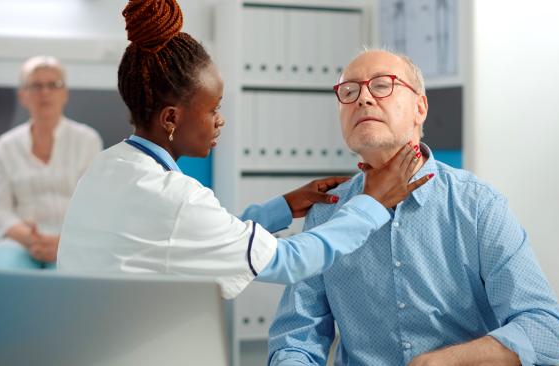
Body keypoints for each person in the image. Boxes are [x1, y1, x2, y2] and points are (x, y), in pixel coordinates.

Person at [56, 0, 433, 299]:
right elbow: (290, 261)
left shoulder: (106, 167)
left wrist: (281, 208)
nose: (220, 121)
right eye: (213, 109)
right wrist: (372, 205)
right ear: (171, 118)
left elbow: (191, 235)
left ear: (420, 106)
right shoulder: (174, 197)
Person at [267, 50, 559, 366]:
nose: (363, 99)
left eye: (382, 85)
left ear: (420, 107)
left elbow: (547, 329)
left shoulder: (479, 205)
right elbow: (295, 341)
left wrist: (447, 361)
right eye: (349, 91)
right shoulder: (325, 213)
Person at [0, 56, 102, 270]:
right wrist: (31, 239)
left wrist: (63, 242)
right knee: (2, 271)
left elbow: (96, 207)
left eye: (53, 85)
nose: (45, 92)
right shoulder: (6, 145)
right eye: (36, 85)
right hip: (21, 242)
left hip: (73, 242)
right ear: (22, 95)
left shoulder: (87, 141)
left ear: (65, 93)